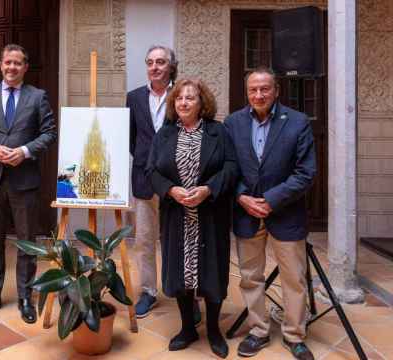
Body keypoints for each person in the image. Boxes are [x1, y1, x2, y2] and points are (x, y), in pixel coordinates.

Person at [224, 67, 316, 360]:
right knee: (250, 277)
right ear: (247, 92)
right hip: (246, 214)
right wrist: (241, 197)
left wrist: (271, 200)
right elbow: (227, 168)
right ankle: (258, 331)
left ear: (276, 91)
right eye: (253, 90)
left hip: (285, 213)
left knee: (293, 279)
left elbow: (306, 172)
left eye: (265, 89)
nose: (259, 95)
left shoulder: (298, 122)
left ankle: (294, 335)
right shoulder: (233, 123)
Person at [146, 79, 237, 358]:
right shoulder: (164, 133)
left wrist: (208, 189)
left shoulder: (217, 131)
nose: (184, 103)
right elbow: (151, 170)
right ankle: (187, 328)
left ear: (202, 103)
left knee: (211, 270)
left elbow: (232, 166)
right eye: (179, 99)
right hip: (177, 213)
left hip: (209, 213)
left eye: (190, 98)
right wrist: (171, 190)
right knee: (179, 271)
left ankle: (212, 330)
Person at [0, 44, 56, 324]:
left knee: (27, 243)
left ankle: (25, 297)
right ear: (1, 65)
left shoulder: (38, 97)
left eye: (17, 63)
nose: (12, 68)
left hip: (24, 180)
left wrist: (25, 151)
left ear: (25, 67)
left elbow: (49, 133)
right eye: (7, 62)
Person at [127, 45, 201, 323]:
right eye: (150, 62)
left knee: (183, 240)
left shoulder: (183, 96)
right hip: (145, 181)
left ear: (171, 66)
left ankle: (188, 294)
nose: (155, 67)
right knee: (144, 240)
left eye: (161, 62)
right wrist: (150, 163)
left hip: (180, 182)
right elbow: (132, 139)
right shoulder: (133, 98)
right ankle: (147, 291)